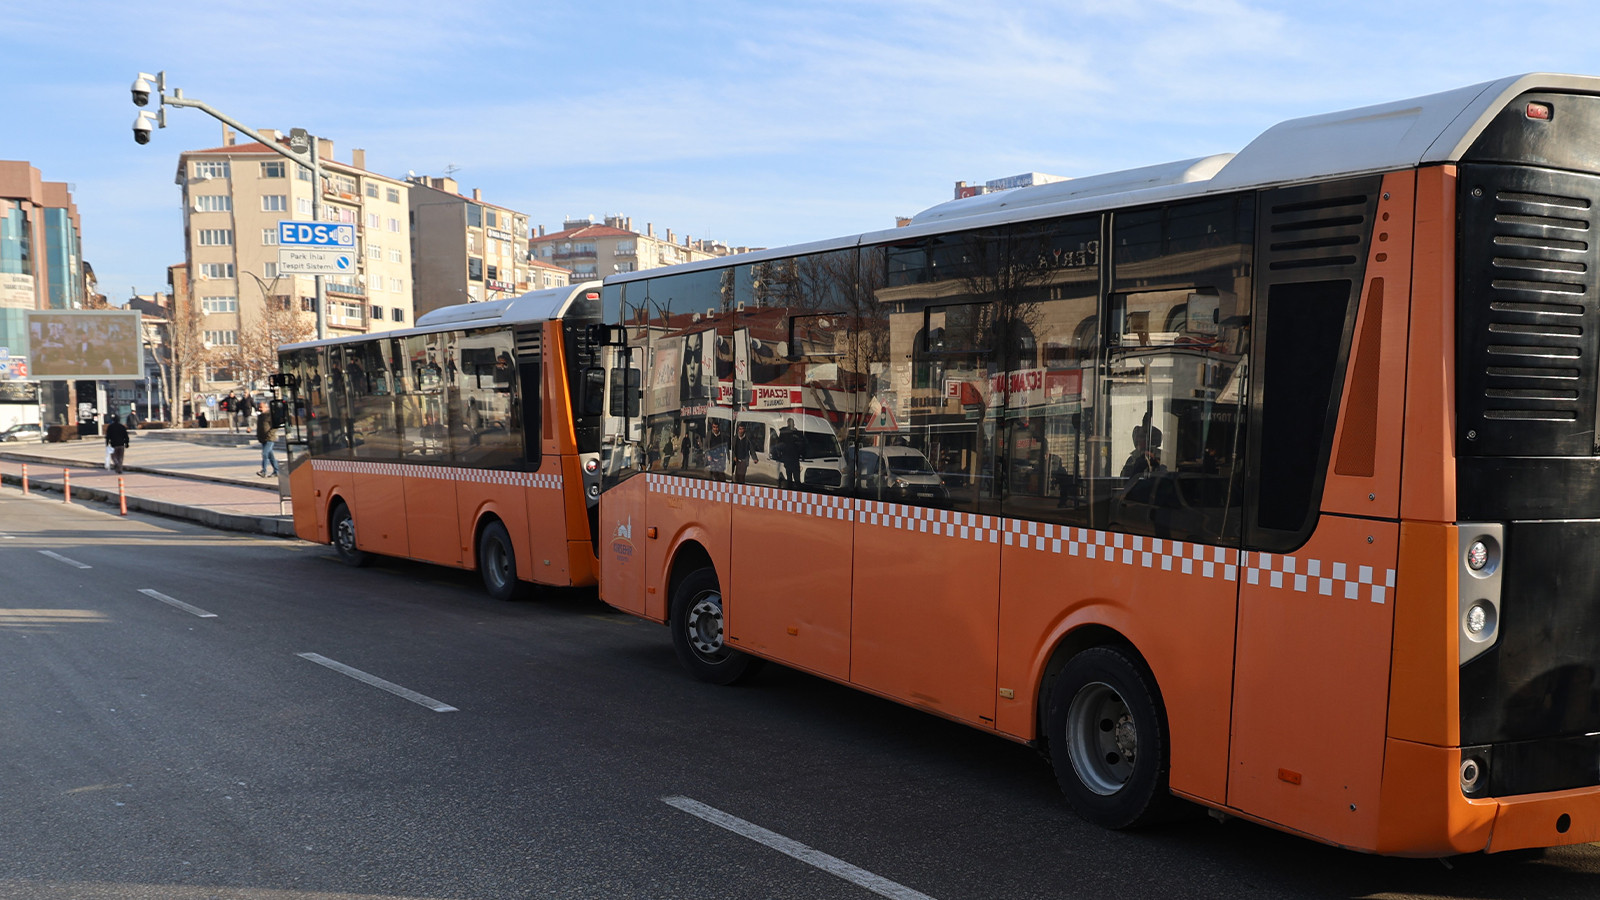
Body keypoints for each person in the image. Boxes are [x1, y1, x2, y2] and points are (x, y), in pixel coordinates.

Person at [774, 418, 803, 488]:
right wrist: (780, 454)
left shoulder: (796, 433)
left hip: (794, 459)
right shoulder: (785, 432)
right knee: (789, 478)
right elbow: (779, 445)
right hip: (788, 458)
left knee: (796, 479)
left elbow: (801, 445)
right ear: (788, 423)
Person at [256, 401, 280, 477]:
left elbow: (275, 426)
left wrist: (270, 434)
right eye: (259, 407)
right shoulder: (260, 416)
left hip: (270, 438)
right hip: (263, 438)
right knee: (270, 456)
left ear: (266, 407)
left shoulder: (270, 415)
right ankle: (276, 471)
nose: (260, 409)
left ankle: (264, 471)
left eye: (261, 407)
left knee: (265, 453)